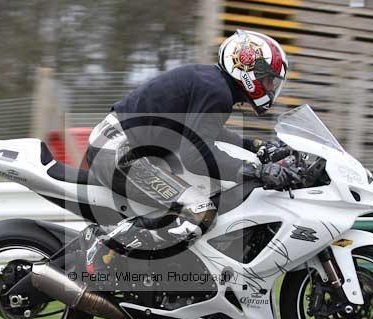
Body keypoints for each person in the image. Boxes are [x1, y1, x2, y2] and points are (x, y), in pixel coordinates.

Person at [79, 29, 300, 261]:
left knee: (197, 198)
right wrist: (257, 170)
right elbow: (195, 156)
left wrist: (257, 147)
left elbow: (207, 133)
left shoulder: (212, 83)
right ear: (247, 69)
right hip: (118, 150)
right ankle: (104, 246)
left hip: (114, 144)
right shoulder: (217, 91)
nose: (271, 88)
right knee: (201, 212)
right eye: (268, 79)